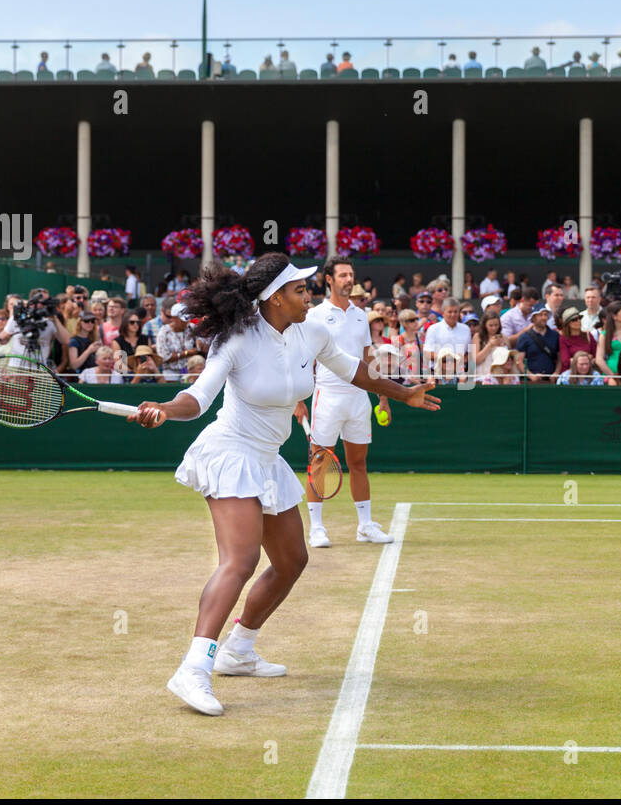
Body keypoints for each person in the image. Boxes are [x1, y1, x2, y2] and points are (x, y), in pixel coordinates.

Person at [128, 253, 438, 717]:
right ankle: (194, 668)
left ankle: (239, 649)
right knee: (241, 559)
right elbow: (197, 397)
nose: (308, 294)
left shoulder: (312, 331)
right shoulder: (235, 339)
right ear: (274, 298)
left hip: (268, 460)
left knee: (292, 559)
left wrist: (403, 392)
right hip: (231, 453)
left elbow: (355, 370)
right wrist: (166, 410)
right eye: (299, 289)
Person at [294, 257, 394, 548]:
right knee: (320, 462)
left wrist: (383, 396)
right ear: (329, 280)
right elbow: (303, 360)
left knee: (358, 462)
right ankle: (317, 528)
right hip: (327, 396)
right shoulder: (314, 316)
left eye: (351, 275)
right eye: (343, 275)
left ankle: (365, 526)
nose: (349, 280)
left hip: (358, 399)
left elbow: (368, 360)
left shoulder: (362, 315)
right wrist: (299, 400)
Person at [516, 304, 559, 383]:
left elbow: (559, 358)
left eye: (545, 315)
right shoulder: (524, 337)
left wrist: (556, 373)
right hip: (531, 382)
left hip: (550, 381)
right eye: (540, 315)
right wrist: (530, 375)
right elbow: (519, 361)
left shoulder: (555, 335)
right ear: (533, 318)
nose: (544, 318)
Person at [595, 301, 621, 378]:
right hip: (611, 375)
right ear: (614, 316)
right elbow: (599, 359)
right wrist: (612, 376)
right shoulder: (604, 335)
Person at [554, 306, 595, 375]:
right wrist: (587, 358)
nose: (578, 321)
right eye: (574, 320)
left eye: (579, 318)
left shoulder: (588, 335)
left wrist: (574, 360)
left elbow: (595, 356)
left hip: (588, 374)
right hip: (570, 375)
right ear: (568, 323)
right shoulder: (563, 338)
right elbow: (566, 361)